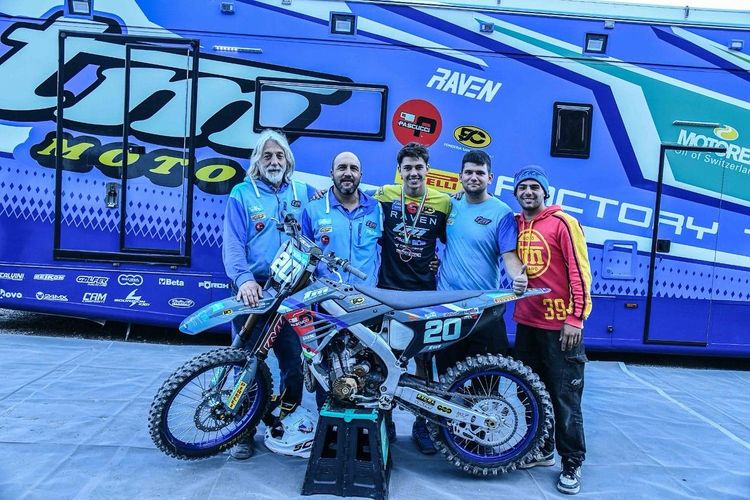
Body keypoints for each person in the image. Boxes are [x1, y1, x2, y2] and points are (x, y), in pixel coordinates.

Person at [222, 129, 318, 459]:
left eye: (279, 155)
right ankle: (242, 429)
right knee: (247, 361)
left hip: (293, 291)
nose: (274, 161)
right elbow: (233, 243)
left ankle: (287, 422)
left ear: (288, 161)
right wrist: (244, 280)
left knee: (292, 363)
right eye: (267, 156)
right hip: (255, 289)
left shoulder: (304, 192)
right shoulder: (241, 193)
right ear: (257, 161)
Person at [511, 165, 591, 495]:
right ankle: (542, 449)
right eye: (522, 187)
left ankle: (571, 462)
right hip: (527, 323)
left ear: (545, 192)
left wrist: (576, 318)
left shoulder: (563, 223)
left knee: (565, 397)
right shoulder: (515, 223)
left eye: (534, 187)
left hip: (560, 328)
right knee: (529, 392)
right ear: (516, 193)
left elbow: (580, 272)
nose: (528, 192)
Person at [373, 142, 451, 454]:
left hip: (424, 294)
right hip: (388, 291)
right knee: (384, 359)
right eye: (408, 168)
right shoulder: (385, 195)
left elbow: (453, 239)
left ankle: (423, 425)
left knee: (424, 362)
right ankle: (385, 420)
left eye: (419, 167)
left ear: (427, 169)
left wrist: (439, 262)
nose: (414, 173)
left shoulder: (444, 202)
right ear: (400, 171)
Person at [434, 150, 527, 374]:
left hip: (484, 308)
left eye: (479, 173)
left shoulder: (502, 212)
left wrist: (518, 277)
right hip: (448, 307)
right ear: (460, 176)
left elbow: (509, 255)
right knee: (446, 381)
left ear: (490, 178)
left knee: (486, 380)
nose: (473, 177)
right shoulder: (450, 204)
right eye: (468, 172)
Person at [300, 151, 382, 286]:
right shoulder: (313, 210)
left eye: (354, 168)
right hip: (326, 295)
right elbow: (304, 257)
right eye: (342, 168)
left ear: (360, 175)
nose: (348, 173)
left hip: (367, 295)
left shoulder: (376, 209)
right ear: (331, 174)